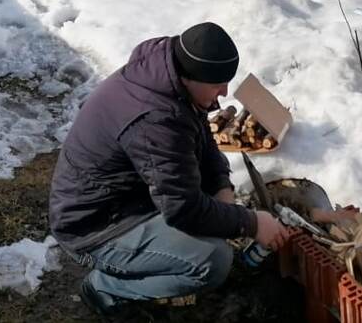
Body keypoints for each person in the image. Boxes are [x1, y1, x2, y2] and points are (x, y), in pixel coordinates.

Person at [49, 21, 293, 316]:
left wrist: (221, 185)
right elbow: (183, 209)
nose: (225, 91)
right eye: (217, 84)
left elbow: (202, 135)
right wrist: (251, 223)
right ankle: (105, 288)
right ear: (191, 77)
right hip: (95, 226)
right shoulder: (154, 119)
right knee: (212, 260)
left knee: (212, 213)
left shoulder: (167, 75)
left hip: (129, 197)